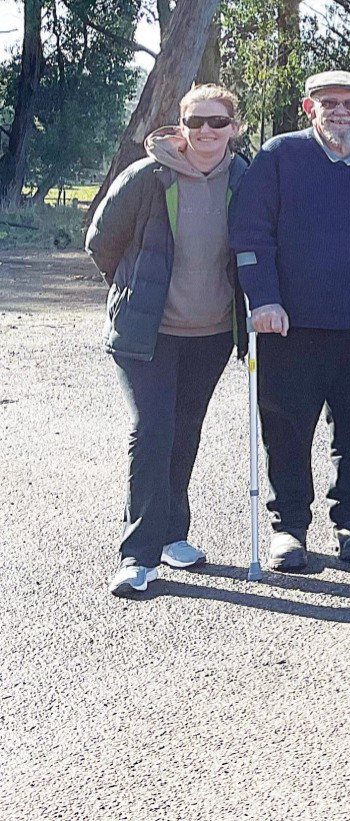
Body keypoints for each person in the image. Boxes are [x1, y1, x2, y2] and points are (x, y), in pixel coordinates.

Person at [231, 70, 350, 570]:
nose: (340, 111)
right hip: (289, 326)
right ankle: (290, 528)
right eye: (328, 103)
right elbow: (251, 234)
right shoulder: (279, 156)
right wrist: (264, 299)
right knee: (287, 429)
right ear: (308, 108)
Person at [88, 85, 250, 596]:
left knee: (185, 429)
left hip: (211, 333)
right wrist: (137, 289)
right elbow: (101, 242)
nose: (206, 131)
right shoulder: (146, 176)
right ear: (181, 126)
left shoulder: (245, 179)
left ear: (234, 127)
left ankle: (174, 534)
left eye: (217, 122)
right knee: (152, 430)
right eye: (196, 121)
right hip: (146, 331)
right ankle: (139, 553)